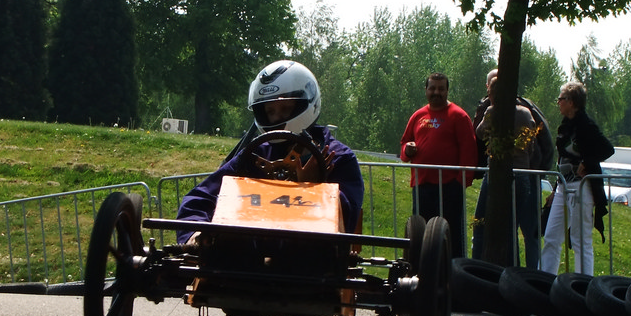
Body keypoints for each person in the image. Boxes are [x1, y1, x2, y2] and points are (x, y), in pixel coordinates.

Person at [176, 60, 364, 236]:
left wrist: (312, 190)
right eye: (270, 111)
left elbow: (346, 218)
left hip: (312, 256)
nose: (276, 118)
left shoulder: (339, 159)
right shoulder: (256, 154)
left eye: (285, 109)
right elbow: (198, 200)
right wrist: (195, 235)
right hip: (250, 256)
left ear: (305, 104)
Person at [539, 81, 614, 276]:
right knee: (551, 237)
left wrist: (588, 163)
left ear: (571, 102)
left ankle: (583, 286)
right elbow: (563, 158)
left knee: (580, 240)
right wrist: (555, 189)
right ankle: (545, 280)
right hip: (563, 186)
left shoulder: (586, 125)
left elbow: (608, 149)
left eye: (561, 99)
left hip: (582, 187)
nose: (558, 102)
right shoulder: (565, 126)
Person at [399, 73, 476, 258]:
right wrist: (407, 150)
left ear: (447, 91)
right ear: (426, 90)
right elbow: (404, 145)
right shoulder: (418, 116)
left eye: (441, 89)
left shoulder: (459, 116)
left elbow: (469, 151)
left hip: (449, 187)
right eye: (432, 88)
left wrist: (460, 183)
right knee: (421, 234)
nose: (436, 92)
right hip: (422, 186)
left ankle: (451, 270)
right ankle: (421, 269)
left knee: (450, 235)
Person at [473, 69, 542, 268]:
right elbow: (531, 144)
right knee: (513, 226)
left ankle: (477, 264)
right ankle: (515, 269)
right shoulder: (526, 112)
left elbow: (479, 133)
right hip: (522, 174)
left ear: (493, 94)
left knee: (481, 220)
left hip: (497, 173)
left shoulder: (492, 111)